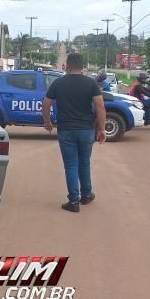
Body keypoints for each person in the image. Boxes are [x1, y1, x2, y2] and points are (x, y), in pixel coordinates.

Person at [42, 53, 107, 213]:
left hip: (66, 131)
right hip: (86, 131)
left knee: (71, 165)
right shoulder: (91, 83)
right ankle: (86, 195)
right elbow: (100, 106)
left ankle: (73, 201)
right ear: (82, 66)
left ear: (67, 66)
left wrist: (47, 122)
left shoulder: (58, 83)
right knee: (84, 163)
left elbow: (46, 104)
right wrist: (101, 128)